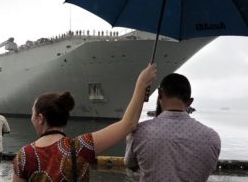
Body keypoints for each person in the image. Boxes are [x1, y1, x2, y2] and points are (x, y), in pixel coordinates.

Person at [12, 64, 157, 182]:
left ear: (40, 118)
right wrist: (141, 83)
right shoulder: (80, 147)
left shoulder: (24, 155)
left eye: (33, 113)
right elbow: (129, 124)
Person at [124, 73, 221, 182]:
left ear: (160, 93)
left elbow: (131, 165)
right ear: (190, 102)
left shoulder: (139, 132)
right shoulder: (212, 138)